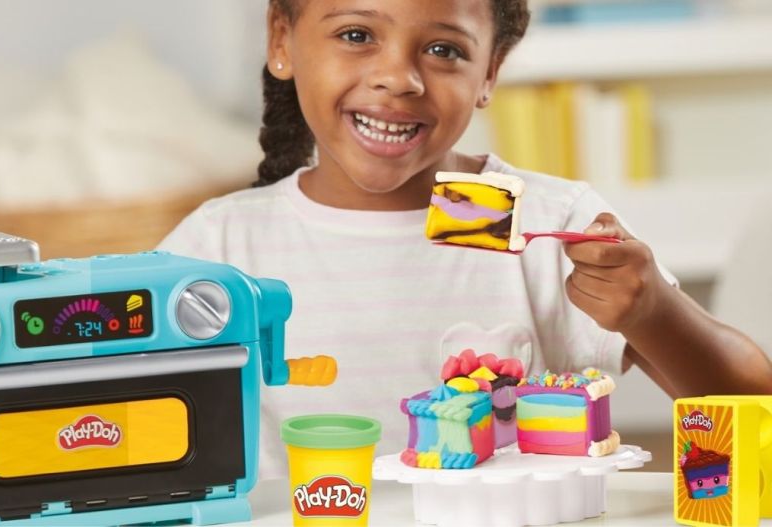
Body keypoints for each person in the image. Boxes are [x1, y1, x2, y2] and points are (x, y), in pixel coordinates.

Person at [159, 0, 772, 478]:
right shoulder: (219, 245)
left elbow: (753, 404)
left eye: (443, 49)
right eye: (356, 35)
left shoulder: (552, 223)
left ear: (489, 73)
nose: (399, 78)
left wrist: (654, 312)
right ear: (281, 40)